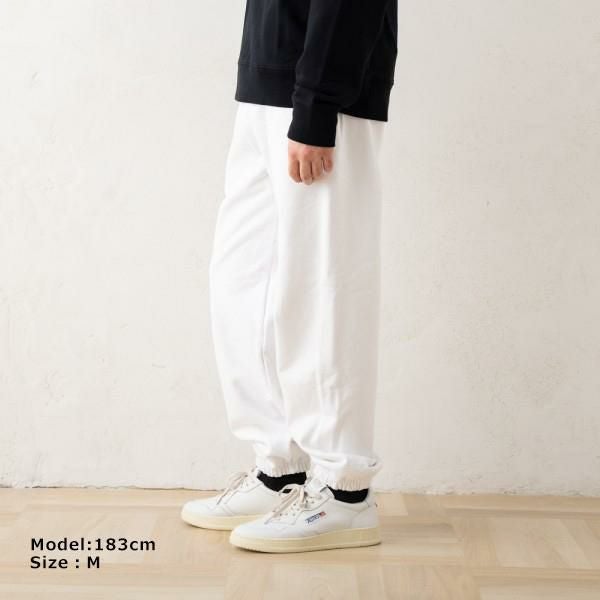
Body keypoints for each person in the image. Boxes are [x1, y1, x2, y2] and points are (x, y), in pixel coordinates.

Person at [181, 0, 398, 553]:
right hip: (267, 83)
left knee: (323, 290)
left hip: (325, 92)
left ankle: (345, 491)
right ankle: (281, 471)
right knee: (242, 284)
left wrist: (318, 103)